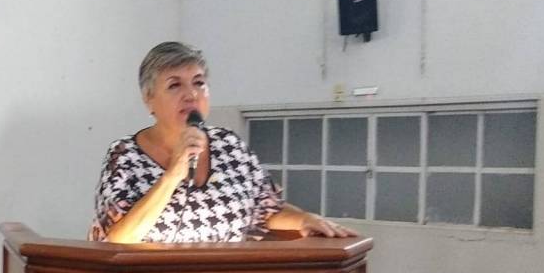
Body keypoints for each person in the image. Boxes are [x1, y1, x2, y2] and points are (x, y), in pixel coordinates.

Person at [88, 41, 357, 243]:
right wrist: (172, 175)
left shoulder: (229, 146)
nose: (191, 94)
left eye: (198, 83)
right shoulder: (125, 156)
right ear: (149, 99)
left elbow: (265, 209)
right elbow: (118, 239)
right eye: (175, 85)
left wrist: (304, 219)